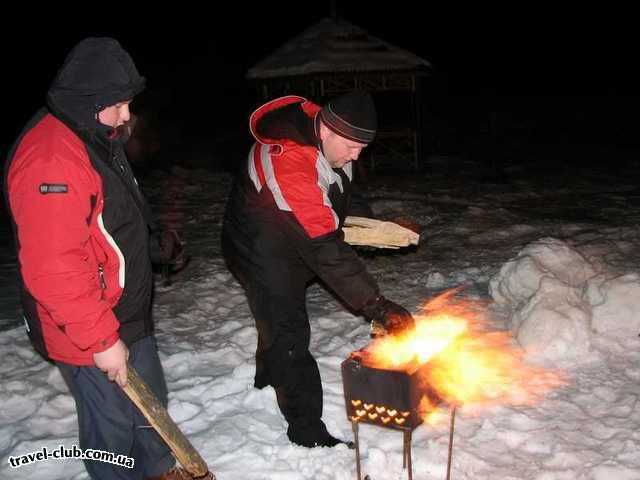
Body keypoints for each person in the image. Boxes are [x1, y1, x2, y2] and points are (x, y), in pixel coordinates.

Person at [4, 37, 188, 480]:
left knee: (149, 404)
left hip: (124, 312)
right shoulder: (51, 160)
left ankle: (160, 470)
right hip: (87, 326)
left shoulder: (92, 132)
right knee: (113, 429)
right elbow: (54, 267)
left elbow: (110, 217)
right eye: (119, 104)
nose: (128, 115)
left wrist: (151, 247)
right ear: (90, 101)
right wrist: (101, 340)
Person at [222, 91, 416, 448]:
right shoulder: (290, 165)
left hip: (289, 235)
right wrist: (378, 305)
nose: (357, 155)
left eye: (362, 147)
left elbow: (344, 186)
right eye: (352, 146)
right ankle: (306, 431)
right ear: (325, 130)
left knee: (274, 321)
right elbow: (323, 247)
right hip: (258, 249)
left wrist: (369, 225)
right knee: (288, 331)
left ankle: (267, 376)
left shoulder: (334, 140)